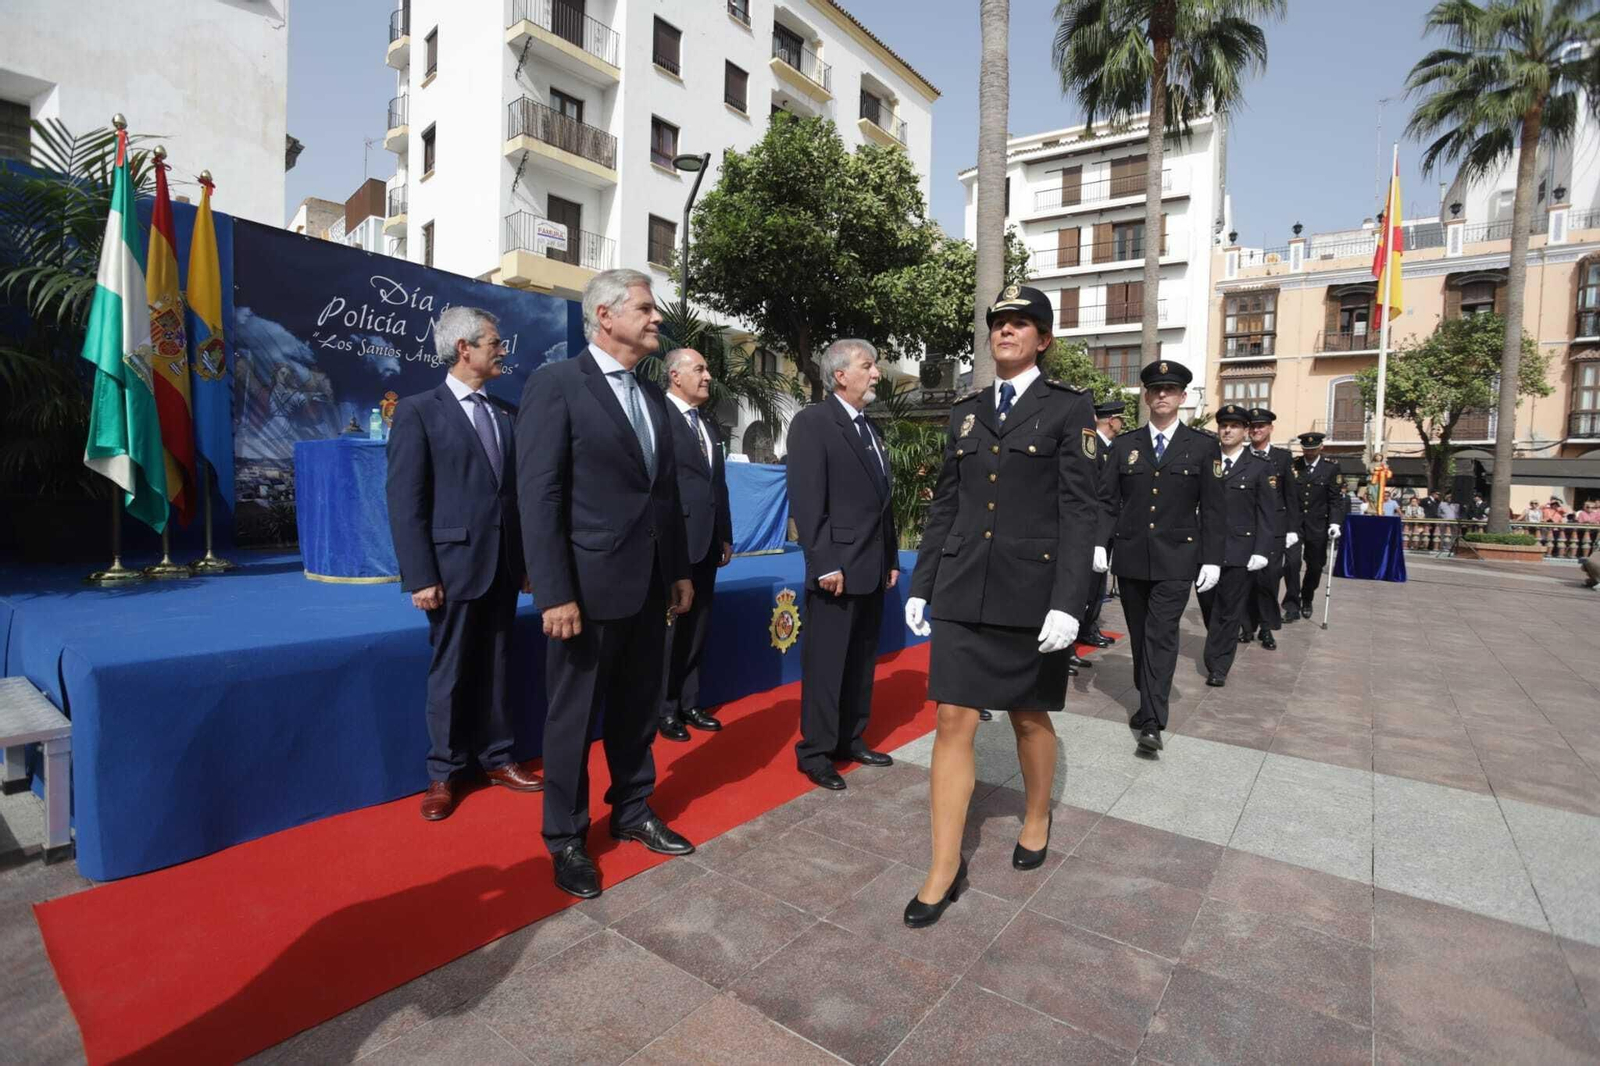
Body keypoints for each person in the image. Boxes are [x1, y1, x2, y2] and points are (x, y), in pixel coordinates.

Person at [902, 284, 1098, 926]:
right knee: (953, 718)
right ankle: (942, 864)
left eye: (1021, 323)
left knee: (1027, 716)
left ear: (1043, 338)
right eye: (999, 323)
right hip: (963, 586)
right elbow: (946, 506)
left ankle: (1036, 814)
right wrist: (923, 584)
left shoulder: (1070, 410)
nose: (1006, 331)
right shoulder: (966, 411)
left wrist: (1070, 602)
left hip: (1032, 594)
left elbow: (1079, 508)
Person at [518, 269, 696, 900]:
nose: (657, 319)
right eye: (646, 309)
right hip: (584, 593)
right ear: (605, 316)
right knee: (572, 717)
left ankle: (633, 809)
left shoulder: (650, 398)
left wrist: (675, 571)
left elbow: (664, 497)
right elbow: (539, 496)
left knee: (638, 708)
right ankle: (566, 838)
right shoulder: (556, 385)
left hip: (649, 587)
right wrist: (554, 592)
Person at [386, 307, 544, 821]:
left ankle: (498, 758)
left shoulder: (505, 413)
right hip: (450, 570)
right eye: (495, 343)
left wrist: (523, 562)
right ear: (464, 348)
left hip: (501, 566)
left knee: (499, 664)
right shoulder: (418, 411)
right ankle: (444, 772)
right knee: (450, 672)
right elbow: (405, 500)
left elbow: (514, 496)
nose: (502, 351)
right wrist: (421, 575)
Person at [785, 338, 900, 792]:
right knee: (827, 664)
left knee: (860, 660)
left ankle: (851, 738)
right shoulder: (814, 422)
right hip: (837, 569)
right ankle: (815, 751)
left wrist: (890, 557)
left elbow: (882, 505)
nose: (876, 374)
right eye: (868, 366)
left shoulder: (870, 428)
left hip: (872, 567)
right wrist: (824, 563)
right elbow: (809, 501)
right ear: (840, 375)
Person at [1100, 359, 1224, 754]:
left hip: (1177, 559)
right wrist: (1100, 544)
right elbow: (1107, 502)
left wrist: (1213, 559)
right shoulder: (1125, 446)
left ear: (1182, 397)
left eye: (1170, 390)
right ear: (1146, 396)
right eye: (1155, 390)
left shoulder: (1203, 447)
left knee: (1162, 635)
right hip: (1133, 557)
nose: (1162, 396)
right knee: (1140, 636)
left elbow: (1216, 507)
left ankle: (1152, 718)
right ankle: (1148, 695)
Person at [658, 347, 734, 744]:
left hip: (707, 540)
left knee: (699, 623)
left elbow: (716, 484)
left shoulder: (707, 423)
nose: (707, 376)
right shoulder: (659, 417)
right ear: (675, 375)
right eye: (699, 369)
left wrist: (725, 532)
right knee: (671, 627)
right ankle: (664, 708)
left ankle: (689, 701)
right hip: (675, 541)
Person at [1198, 405, 1273, 688]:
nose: (1227, 430)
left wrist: (1261, 550)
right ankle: (1218, 644)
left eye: (1234, 426)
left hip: (1239, 551)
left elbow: (1267, 513)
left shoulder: (1259, 466)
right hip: (1204, 550)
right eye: (1223, 425)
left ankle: (1218, 665)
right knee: (1209, 606)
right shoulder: (1206, 461)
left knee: (1229, 610)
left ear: (1245, 431)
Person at [1241, 407, 1298, 644]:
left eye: (1260, 426)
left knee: (1269, 579)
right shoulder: (1240, 456)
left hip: (1274, 528)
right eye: (1252, 426)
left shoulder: (1282, 458)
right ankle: (1246, 626)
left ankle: (1266, 627)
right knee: (1245, 581)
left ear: (1270, 429)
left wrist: (1293, 529)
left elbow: (1290, 496)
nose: (1256, 430)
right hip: (1245, 527)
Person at [1078, 399, 1125, 650]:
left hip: (1105, 528)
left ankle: (1088, 627)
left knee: (1097, 583)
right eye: (1121, 419)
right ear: (1111, 420)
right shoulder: (1091, 446)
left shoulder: (1111, 448)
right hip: (1090, 527)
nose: (1122, 424)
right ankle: (1077, 633)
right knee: (1085, 585)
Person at [1284, 432, 1344, 621]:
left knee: (1316, 565)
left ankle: (1307, 596)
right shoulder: (1293, 466)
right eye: (1306, 450)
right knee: (1292, 564)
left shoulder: (1330, 468)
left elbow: (1335, 499)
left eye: (1313, 449)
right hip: (1294, 524)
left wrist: (1335, 522)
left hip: (1318, 524)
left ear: (1321, 448)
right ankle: (1292, 605)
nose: (1309, 453)